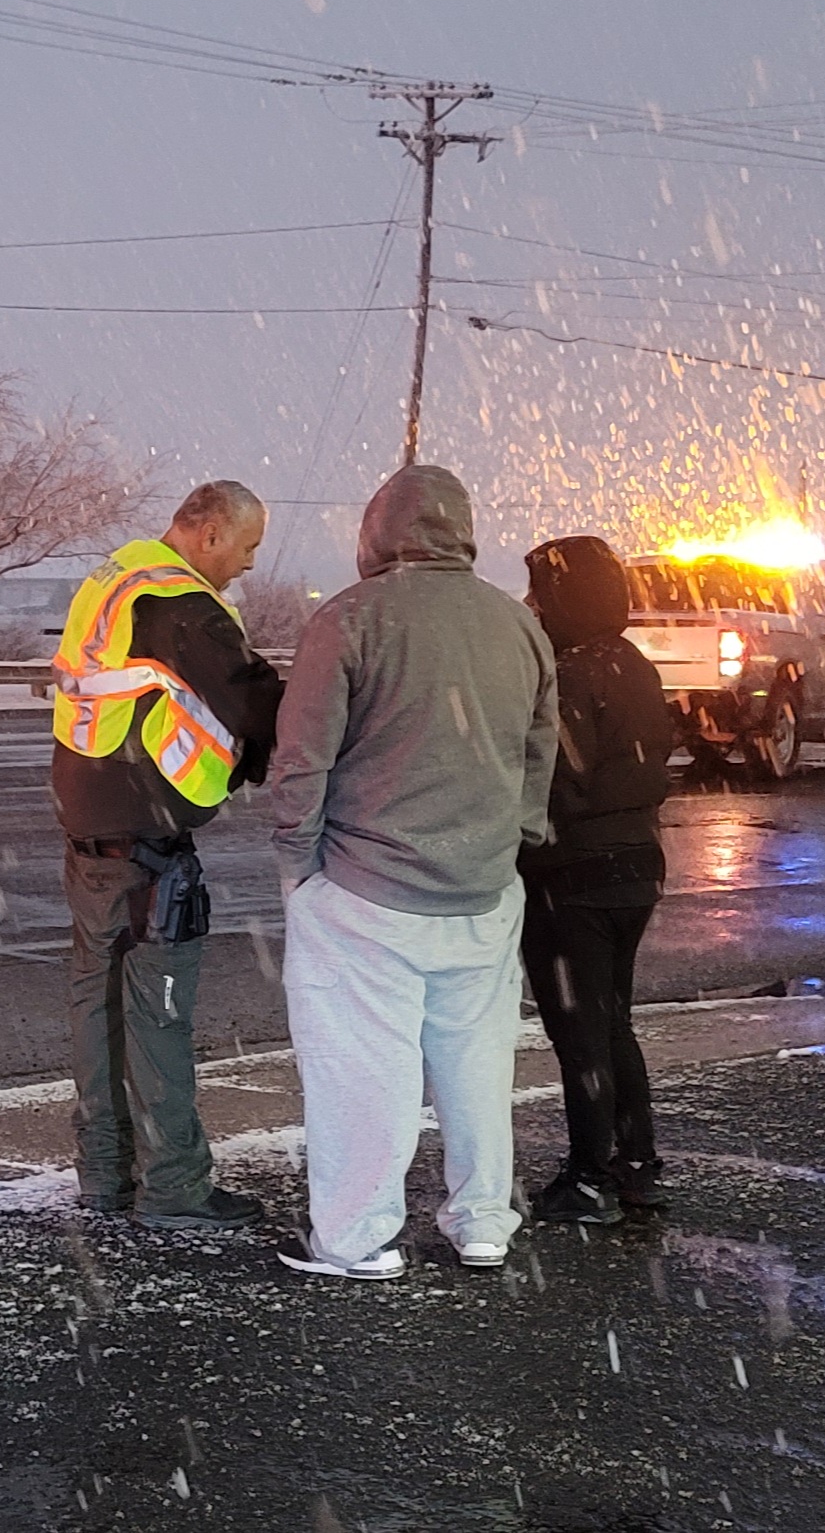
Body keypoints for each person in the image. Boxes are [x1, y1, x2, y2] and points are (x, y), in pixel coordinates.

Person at [270, 465, 556, 1280]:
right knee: (477, 1065)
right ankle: (482, 1222)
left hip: (365, 890)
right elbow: (540, 749)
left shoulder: (352, 620)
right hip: (485, 891)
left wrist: (298, 861)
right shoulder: (516, 624)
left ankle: (356, 1239)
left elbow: (303, 758)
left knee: (364, 1069)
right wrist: (514, 834)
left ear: (376, 533)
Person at [50, 480, 284, 1228]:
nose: (247, 566)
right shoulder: (182, 606)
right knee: (160, 1013)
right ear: (210, 533)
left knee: (99, 1003)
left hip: (90, 824)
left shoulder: (115, 580)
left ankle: (105, 1174)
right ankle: (175, 1188)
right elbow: (256, 704)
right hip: (148, 839)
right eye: (246, 548)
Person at [519, 534, 675, 1225]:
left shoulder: (571, 673)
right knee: (612, 1022)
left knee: (580, 1030)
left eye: (540, 590)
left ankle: (589, 1176)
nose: (530, 604)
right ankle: (636, 1163)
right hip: (634, 867)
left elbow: (555, 782)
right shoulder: (633, 664)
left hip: (571, 876)